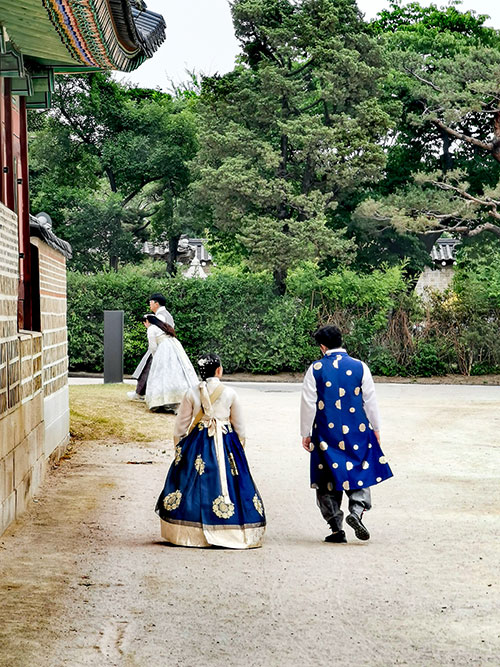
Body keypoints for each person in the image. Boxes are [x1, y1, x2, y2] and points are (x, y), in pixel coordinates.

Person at [155, 354, 266, 549]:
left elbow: (181, 425)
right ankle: (231, 530)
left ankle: (190, 531)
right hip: (225, 441)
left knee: (194, 483)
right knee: (229, 484)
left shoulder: (191, 393)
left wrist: (179, 448)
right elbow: (239, 426)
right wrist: (238, 450)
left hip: (198, 442)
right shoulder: (230, 393)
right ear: (219, 371)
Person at [300, 325, 393, 543]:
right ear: (342, 341)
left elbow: (308, 404)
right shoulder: (360, 367)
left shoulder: (315, 369)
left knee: (326, 477)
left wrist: (306, 433)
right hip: (357, 430)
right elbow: (370, 400)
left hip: (325, 432)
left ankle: (336, 528)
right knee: (359, 469)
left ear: (322, 347)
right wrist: (376, 428)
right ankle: (357, 511)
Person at [144, 314, 198, 411]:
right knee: (178, 372)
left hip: (163, 350)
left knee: (162, 375)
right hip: (175, 347)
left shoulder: (151, 329)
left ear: (147, 321)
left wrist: (155, 357)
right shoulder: (164, 326)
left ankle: (163, 401)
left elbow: (152, 346)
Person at [128, 293, 175, 401]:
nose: (150, 305)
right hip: (168, 347)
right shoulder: (167, 315)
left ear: (156, 303)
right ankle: (141, 392)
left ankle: (140, 393)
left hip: (159, 347)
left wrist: (150, 327)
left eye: (151, 303)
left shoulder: (160, 316)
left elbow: (158, 332)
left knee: (147, 369)